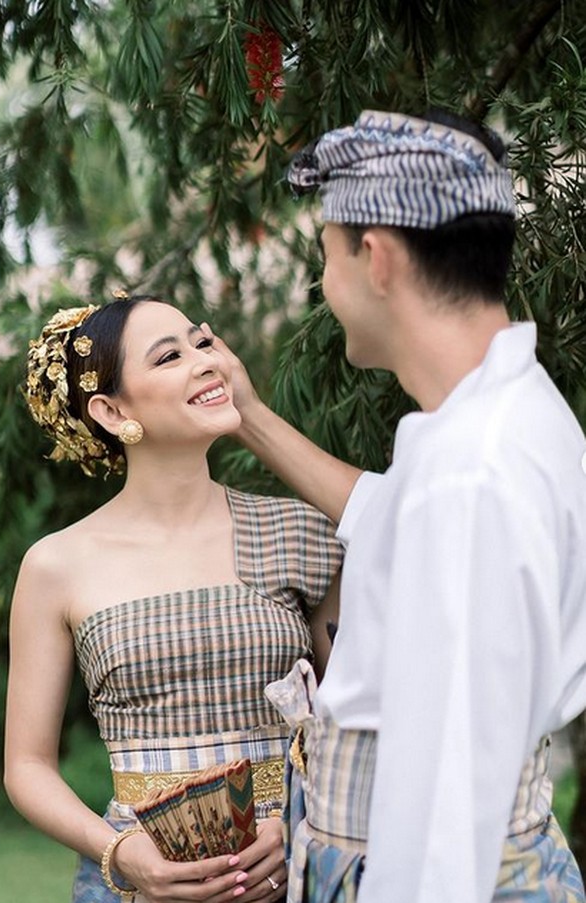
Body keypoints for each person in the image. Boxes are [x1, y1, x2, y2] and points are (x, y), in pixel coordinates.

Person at [207, 109, 586, 903]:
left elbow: (446, 800)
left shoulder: (470, 470)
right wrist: (250, 414)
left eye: (325, 255)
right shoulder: (504, 419)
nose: (324, 285)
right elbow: (386, 516)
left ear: (375, 258)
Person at [3, 294, 343, 903]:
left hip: (292, 875)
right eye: (168, 357)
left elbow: (351, 722)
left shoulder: (301, 532)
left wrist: (293, 824)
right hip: (139, 887)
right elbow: (26, 768)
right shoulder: (56, 565)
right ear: (111, 410)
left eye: (202, 343)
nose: (204, 362)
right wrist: (122, 852)